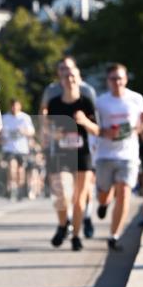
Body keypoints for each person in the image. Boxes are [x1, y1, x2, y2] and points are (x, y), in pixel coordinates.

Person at [41, 56, 98, 237]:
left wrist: (85, 123)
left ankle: (86, 219)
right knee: (62, 192)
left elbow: (96, 122)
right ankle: (65, 223)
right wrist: (47, 133)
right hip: (61, 150)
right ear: (59, 73)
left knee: (84, 193)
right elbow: (44, 115)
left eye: (69, 69)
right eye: (62, 70)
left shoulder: (87, 91)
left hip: (85, 148)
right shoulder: (51, 92)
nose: (67, 73)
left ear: (77, 72)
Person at [94, 63, 143, 250]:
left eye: (120, 78)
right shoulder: (100, 102)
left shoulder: (136, 99)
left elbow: (141, 125)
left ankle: (114, 236)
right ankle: (103, 203)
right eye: (113, 78)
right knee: (104, 193)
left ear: (126, 79)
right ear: (107, 81)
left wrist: (137, 127)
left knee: (124, 193)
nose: (117, 82)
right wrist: (105, 132)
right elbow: (94, 127)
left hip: (128, 154)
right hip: (105, 154)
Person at [0, 99, 34, 199]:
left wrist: (24, 131)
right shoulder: (5, 118)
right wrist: (1, 138)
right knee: (12, 168)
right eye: (12, 106)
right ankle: (12, 187)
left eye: (16, 106)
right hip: (9, 148)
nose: (14, 108)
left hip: (22, 149)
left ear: (20, 106)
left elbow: (32, 132)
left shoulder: (25, 118)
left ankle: (20, 188)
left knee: (20, 171)